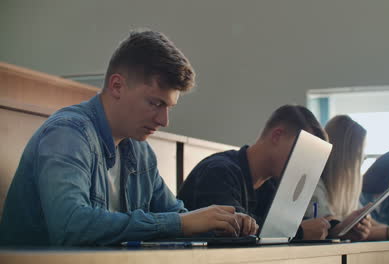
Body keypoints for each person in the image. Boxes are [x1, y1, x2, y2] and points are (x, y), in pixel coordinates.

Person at [0, 30, 257, 246]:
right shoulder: (67, 133)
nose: (163, 121)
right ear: (117, 86)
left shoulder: (141, 152)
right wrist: (180, 223)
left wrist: (223, 224)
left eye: (169, 108)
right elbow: (70, 226)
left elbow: (176, 215)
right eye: (155, 103)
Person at [178, 105, 370, 240]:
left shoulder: (272, 183)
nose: (304, 163)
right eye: (302, 150)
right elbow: (233, 229)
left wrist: (338, 229)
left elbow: (289, 224)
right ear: (277, 135)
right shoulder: (219, 171)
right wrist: (300, 233)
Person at [304, 115, 371, 240]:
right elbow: (325, 225)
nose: (363, 158)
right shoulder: (312, 182)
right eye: (360, 153)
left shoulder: (345, 190)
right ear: (346, 155)